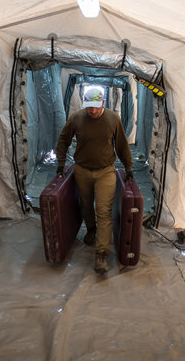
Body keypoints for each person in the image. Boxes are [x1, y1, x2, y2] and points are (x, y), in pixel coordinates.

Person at [55, 86, 134, 274]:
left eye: (96, 107)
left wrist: (129, 167)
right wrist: (60, 163)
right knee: (85, 204)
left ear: (103, 103)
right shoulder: (76, 118)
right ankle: (91, 229)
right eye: (89, 106)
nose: (92, 110)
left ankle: (101, 254)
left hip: (106, 171)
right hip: (82, 170)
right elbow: (63, 140)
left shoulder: (113, 119)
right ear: (84, 104)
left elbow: (122, 145)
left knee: (103, 211)